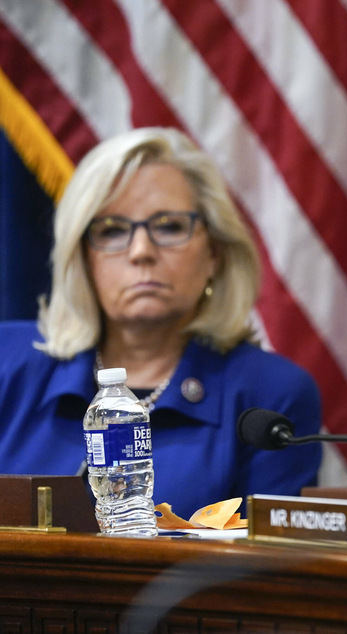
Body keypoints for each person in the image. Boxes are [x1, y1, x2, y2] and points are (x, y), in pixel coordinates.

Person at [0, 127, 322, 516]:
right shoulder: (8, 363)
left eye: (169, 226)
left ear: (214, 252)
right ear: (82, 257)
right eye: (113, 230)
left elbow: (271, 570)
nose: (141, 252)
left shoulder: (271, 395)